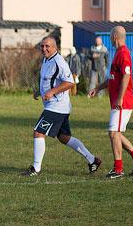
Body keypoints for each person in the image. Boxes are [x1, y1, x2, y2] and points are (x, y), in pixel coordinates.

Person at [21, 36, 101, 177]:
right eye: (42, 46)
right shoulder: (46, 59)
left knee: (38, 132)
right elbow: (48, 80)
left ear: (55, 47)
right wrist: (39, 91)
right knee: (64, 137)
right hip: (57, 106)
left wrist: (52, 92)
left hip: (57, 106)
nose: (44, 48)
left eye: (47, 46)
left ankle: (35, 168)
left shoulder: (59, 62)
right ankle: (93, 160)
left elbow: (70, 82)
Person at [88, 26, 133, 179]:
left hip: (123, 101)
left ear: (115, 36)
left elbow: (126, 76)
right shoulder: (118, 53)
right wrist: (98, 88)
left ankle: (118, 169)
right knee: (116, 133)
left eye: (110, 35)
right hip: (118, 101)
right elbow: (113, 78)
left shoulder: (123, 53)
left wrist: (120, 97)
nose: (109, 38)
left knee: (113, 133)